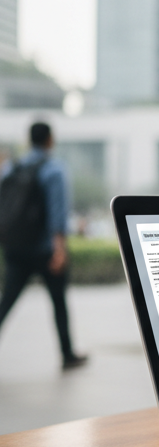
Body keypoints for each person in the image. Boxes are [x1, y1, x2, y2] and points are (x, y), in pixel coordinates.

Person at [0, 122, 86, 369]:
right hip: (44, 250)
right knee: (58, 302)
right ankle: (67, 354)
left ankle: (68, 353)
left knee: (6, 301)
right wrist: (59, 249)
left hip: (15, 247)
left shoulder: (11, 168)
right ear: (50, 139)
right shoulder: (54, 169)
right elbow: (57, 214)